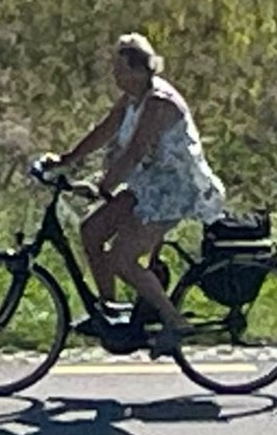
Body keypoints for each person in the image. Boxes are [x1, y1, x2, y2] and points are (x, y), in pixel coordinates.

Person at [53, 32, 225, 344]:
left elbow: (134, 151)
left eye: (121, 70)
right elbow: (105, 129)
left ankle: (174, 321)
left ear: (140, 70)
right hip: (149, 183)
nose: (116, 77)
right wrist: (65, 160)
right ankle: (110, 311)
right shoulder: (134, 98)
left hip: (175, 188)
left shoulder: (159, 102)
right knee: (92, 229)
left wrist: (106, 185)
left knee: (123, 258)